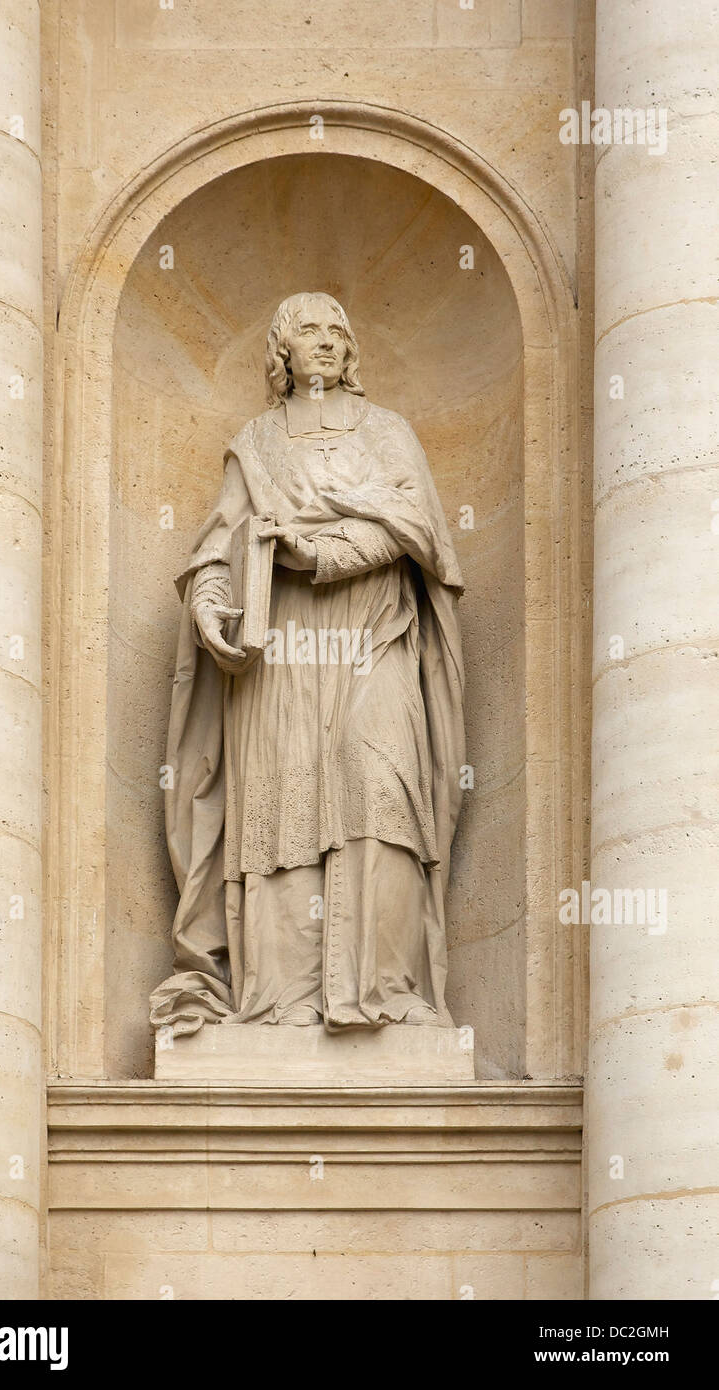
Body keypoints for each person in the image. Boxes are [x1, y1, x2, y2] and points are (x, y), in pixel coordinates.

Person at [150, 292, 465, 1033]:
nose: (326, 341)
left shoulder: (388, 434)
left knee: (377, 782)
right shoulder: (256, 445)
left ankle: (386, 988)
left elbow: (416, 529)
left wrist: (316, 552)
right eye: (308, 330)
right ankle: (281, 1001)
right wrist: (209, 604)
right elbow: (219, 545)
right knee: (284, 798)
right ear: (281, 352)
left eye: (337, 330)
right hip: (282, 657)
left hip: (372, 637)